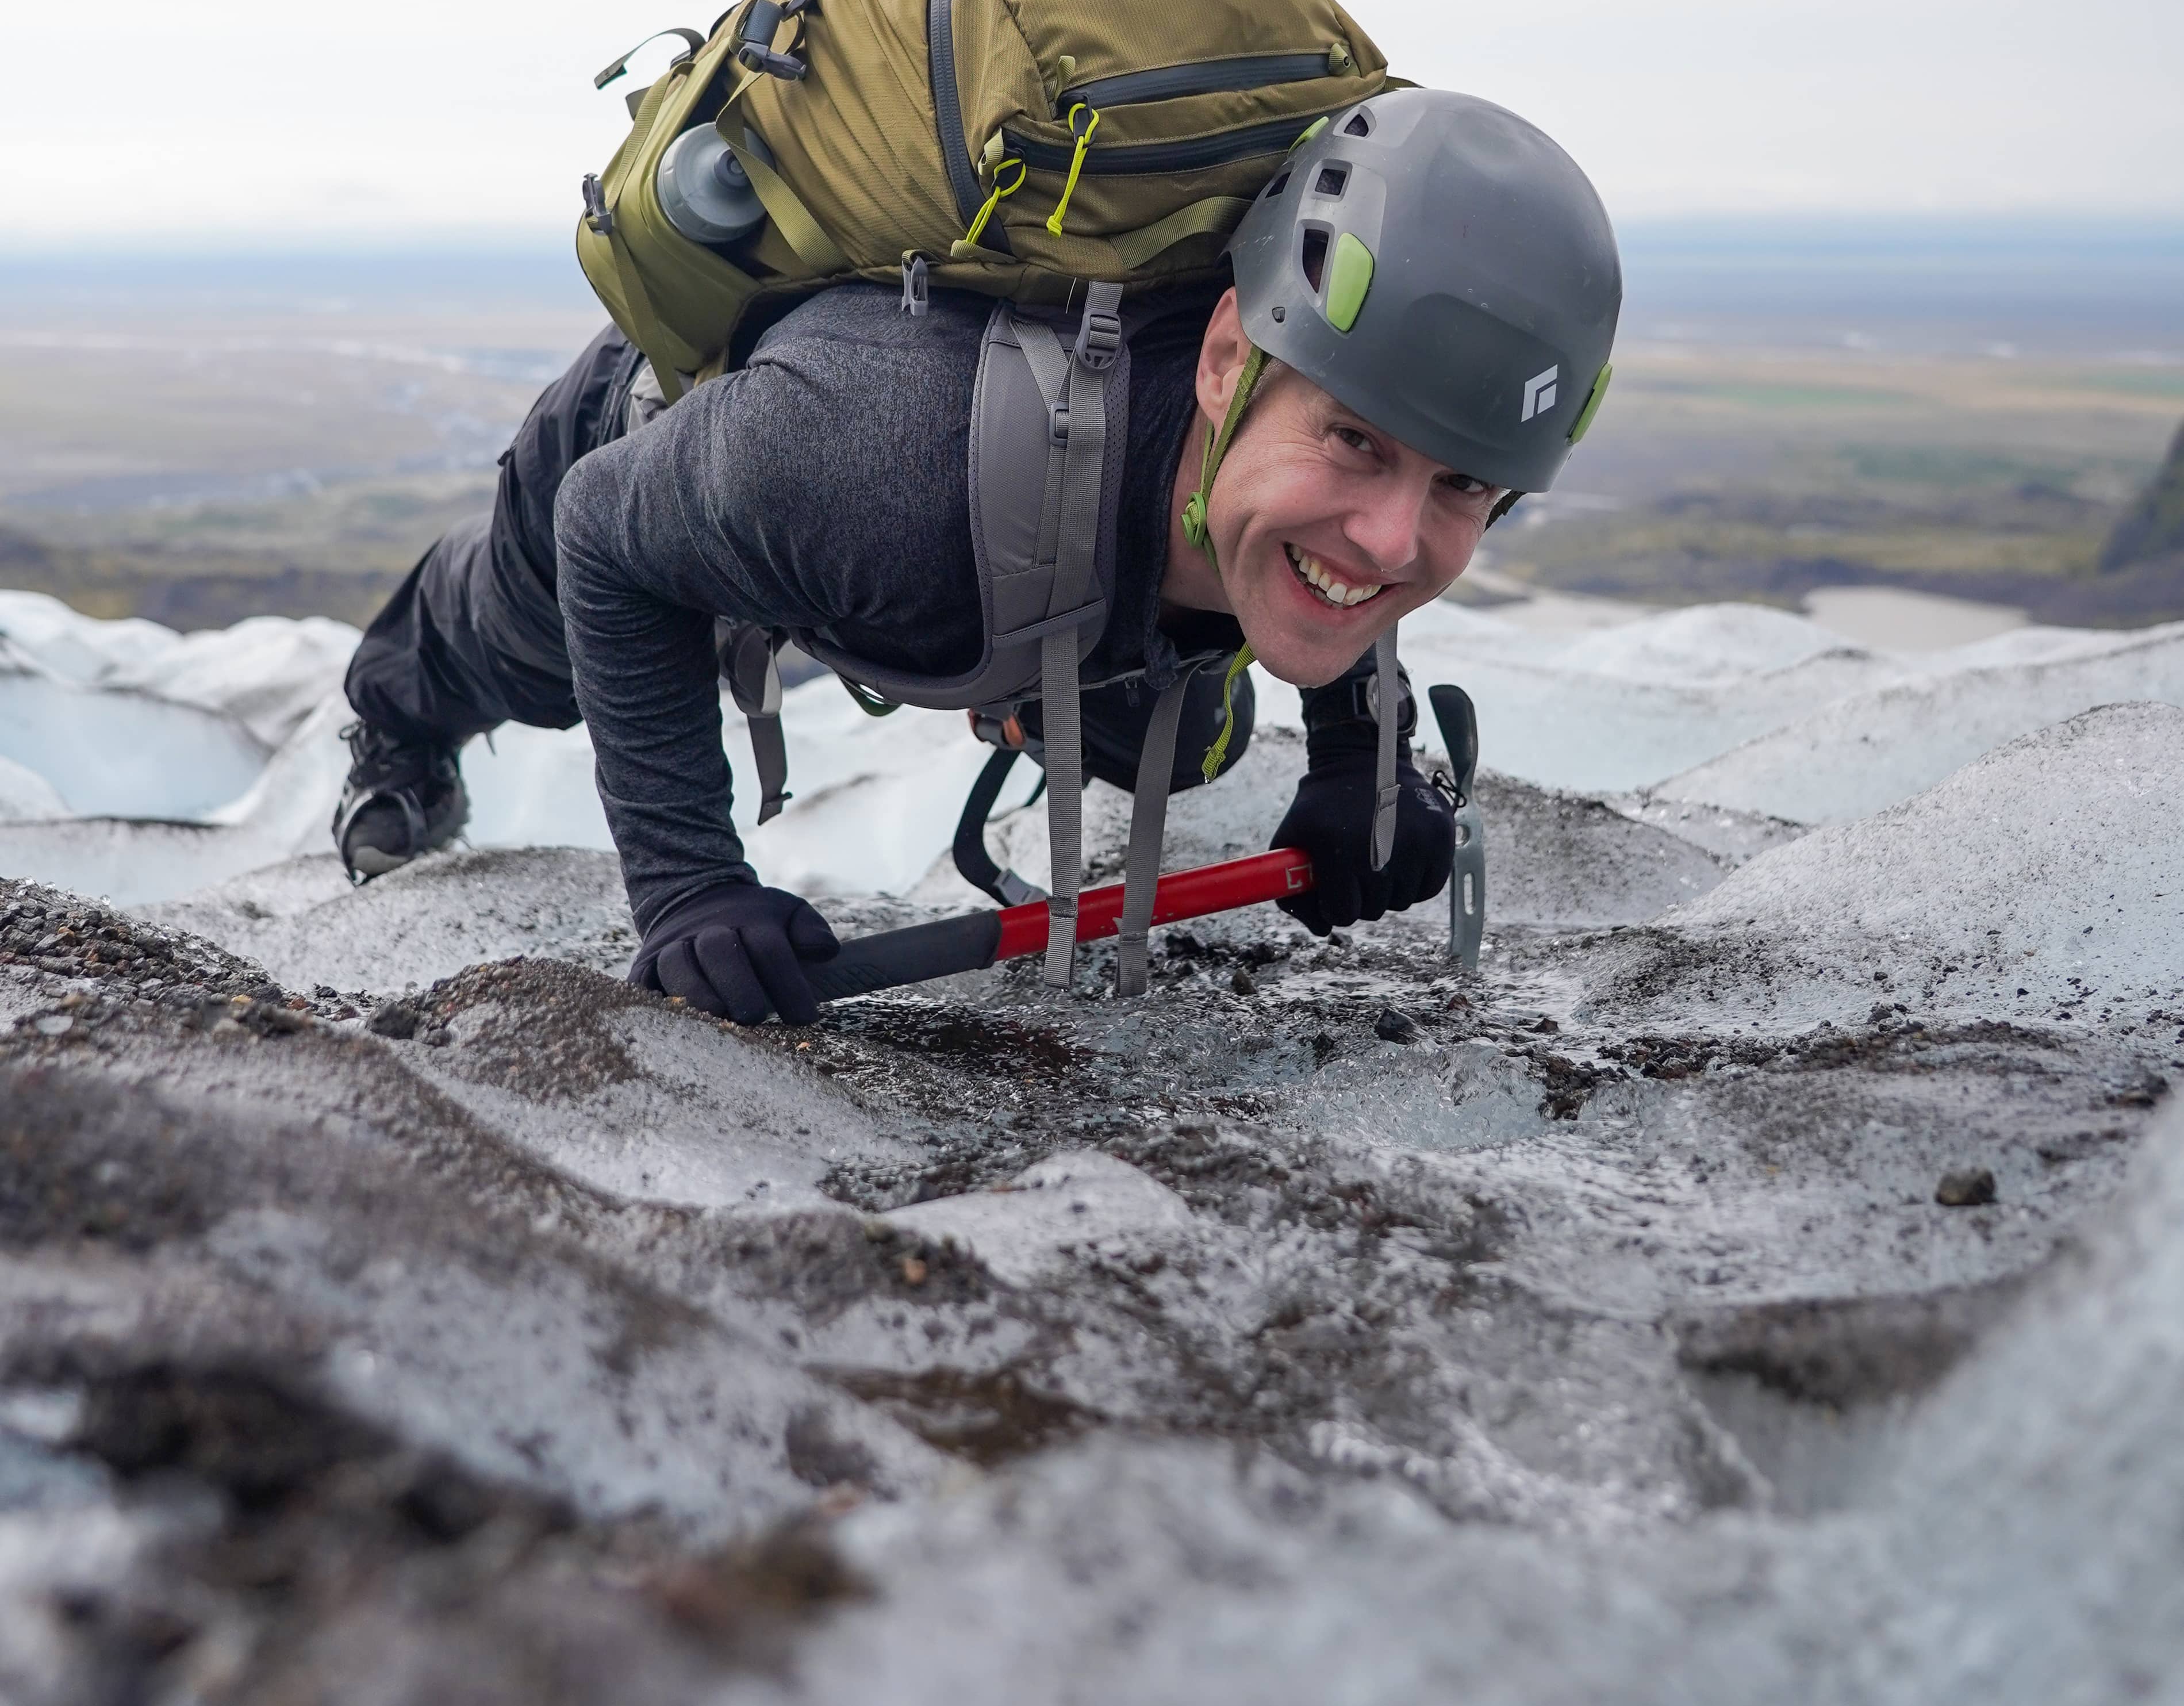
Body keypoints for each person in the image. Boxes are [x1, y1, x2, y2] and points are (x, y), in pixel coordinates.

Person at [333, 86, 1619, 1021]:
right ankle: (389, 723)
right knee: (526, 655)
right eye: (1352, 441)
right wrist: (688, 887)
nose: (1400, 536)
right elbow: (606, 532)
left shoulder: (1304, 449)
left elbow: (1357, 540)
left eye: (1464, 484)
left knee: (1193, 711)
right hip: (677, 454)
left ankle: (1049, 677)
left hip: (1036, 534)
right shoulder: (873, 464)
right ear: (1227, 357)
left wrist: (1363, 760)